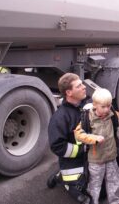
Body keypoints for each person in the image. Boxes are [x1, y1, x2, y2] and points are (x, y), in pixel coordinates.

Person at [74, 88, 119, 204]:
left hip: (111, 157)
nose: (107, 109)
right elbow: (78, 134)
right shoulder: (87, 118)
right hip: (96, 160)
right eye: (103, 107)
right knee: (94, 184)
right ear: (95, 105)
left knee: (113, 181)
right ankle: (92, 201)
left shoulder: (112, 114)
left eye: (109, 105)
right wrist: (93, 138)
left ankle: (115, 201)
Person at [47, 72, 92, 203]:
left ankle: (61, 175)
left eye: (82, 84)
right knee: (83, 189)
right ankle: (64, 179)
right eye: (79, 86)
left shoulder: (87, 105)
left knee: (103, 190)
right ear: (69, 93)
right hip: (74, 161)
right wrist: (82, 150)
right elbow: (57, 146)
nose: (84, 87)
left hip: (91, 157)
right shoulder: (60, 117)